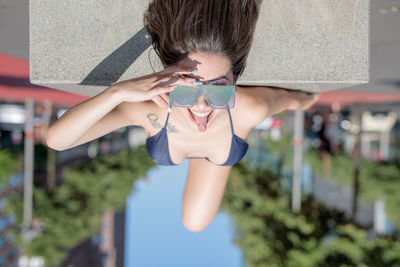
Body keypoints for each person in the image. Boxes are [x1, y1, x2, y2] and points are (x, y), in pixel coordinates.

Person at [46, 0, 319, 232]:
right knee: (196, 222)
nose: (201, 106)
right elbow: (57, 140)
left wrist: (309, 100)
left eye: (219, 89)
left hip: (216, 145)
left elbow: (290, 100)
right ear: (166, 75)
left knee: (194, 222)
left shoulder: (248, 107)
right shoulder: (149, 107)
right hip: (216, 146)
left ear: (234, 80)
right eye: (187, 89)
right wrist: (118, 93)